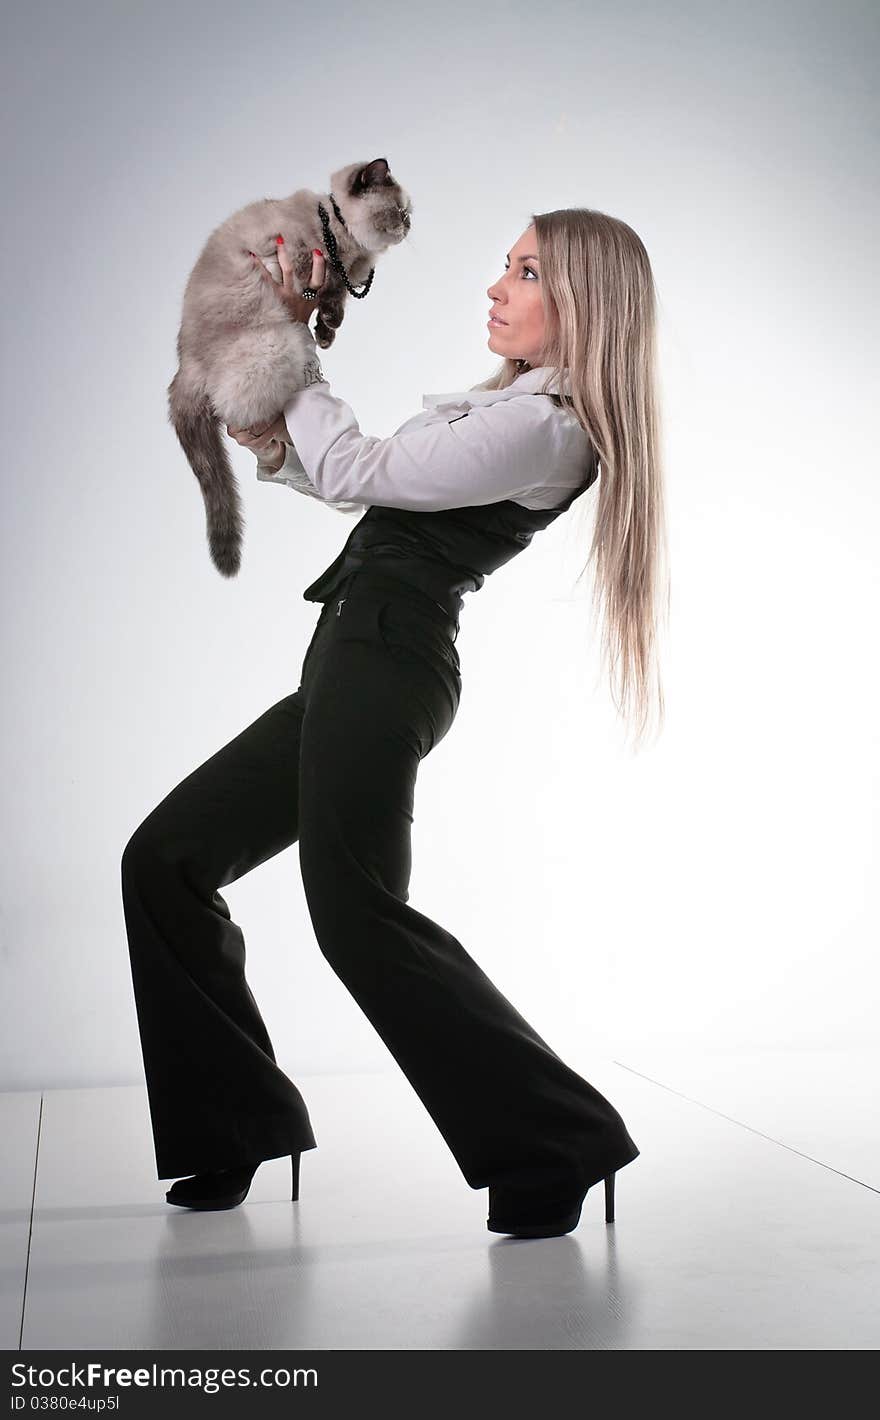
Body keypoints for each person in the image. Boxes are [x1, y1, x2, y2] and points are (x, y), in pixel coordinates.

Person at [121, 210, 668, 1239]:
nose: (497, 287)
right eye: (502, 266)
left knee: (356, 913)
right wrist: (279, 436)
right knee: (165, 861)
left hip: (387, 663)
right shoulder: (499, 407)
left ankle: (555, 1141)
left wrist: (293, 355)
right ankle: (234, 1123)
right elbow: (362, 488)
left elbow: (363, 472)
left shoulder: (548, 426)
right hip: (352, 655)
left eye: (526, 272)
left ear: (587, 302)